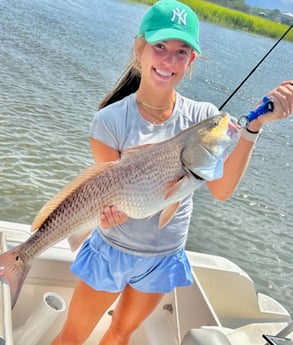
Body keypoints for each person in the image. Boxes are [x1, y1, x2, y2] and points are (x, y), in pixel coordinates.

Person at [52, 0, 293, 344]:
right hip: (114, 251)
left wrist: (254, 128)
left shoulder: (205, 117)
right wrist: (106, 216)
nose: (169, 60)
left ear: (192, 60)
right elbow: (101, 191)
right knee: (71, 338)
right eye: (160, 46)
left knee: (121, 333)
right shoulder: (109, 120)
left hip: (164, 257)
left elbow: (221, 191)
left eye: (181, 51)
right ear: (140, 49)